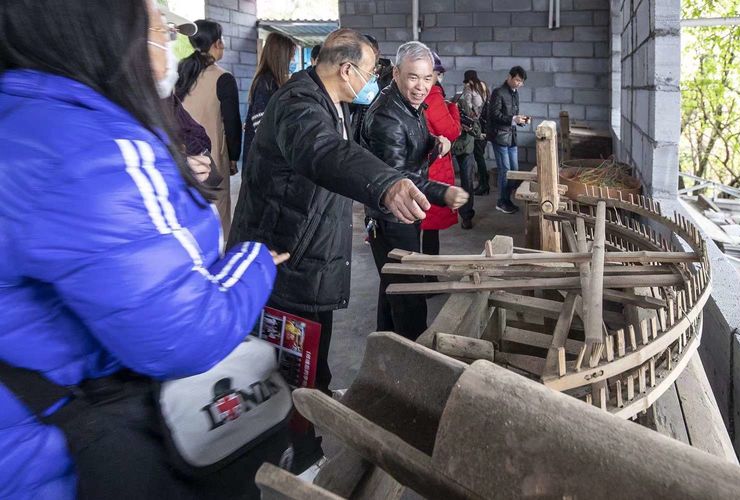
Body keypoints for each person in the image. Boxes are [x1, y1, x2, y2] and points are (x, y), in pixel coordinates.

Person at [0, 0, 288, 498]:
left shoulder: (26, 117)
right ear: (106, 34)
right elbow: (184, 332)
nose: (166, 47)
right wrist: (252, 261)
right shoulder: (90, 146)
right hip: (68, 454)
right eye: (155, 30)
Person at [229, 29, 436, 397]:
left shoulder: (333, 104)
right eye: (371, 73)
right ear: (345, 69)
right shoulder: (299, 102)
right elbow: (323, 151)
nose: (373, 81)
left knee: (312, 351)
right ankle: (302, 445)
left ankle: (316, 401)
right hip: (287, 255)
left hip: (311, 254)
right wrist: (384, 184)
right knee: (288, 363)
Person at [361, 41, 468, 340]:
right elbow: (398, 178)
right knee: (409, 295)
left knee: (392, 286)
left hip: (406, 212)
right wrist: (442, 193)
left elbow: (415, 145)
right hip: (393, 216)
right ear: (396, 73)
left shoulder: (410, 105)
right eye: (413, 77)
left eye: (427, 78)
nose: (421, 86)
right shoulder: (387, 116)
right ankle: (413, 363)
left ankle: (384, 348)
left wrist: (435, 144)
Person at [176, 19, 242, 237]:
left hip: (180, 157)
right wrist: (233, 157)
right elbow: (231, 124)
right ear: (216, 44)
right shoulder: (222, 78)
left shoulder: (179, 72)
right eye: (220, 40)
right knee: (216, 216)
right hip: (210, 160)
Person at [421, 51, 462, 251]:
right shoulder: (433, 96)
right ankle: (428, 275)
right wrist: (453, 108)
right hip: (433, 166)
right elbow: (452, 131)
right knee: (429, 227)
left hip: (419, 163)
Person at [243, 32, 296, 164]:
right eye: (292, 56)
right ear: (281, 57)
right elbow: (262, 126)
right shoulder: (266, 83)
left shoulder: (275, 82)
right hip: (263, 162)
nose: (293, 61)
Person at [488, 65, 529, 214]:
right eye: (517, 80)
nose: (518, 83)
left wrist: (520, 120)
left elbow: (513, 116)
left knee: (514, 170)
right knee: (505, 171)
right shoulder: (498, 93)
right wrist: (513, 119)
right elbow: (494, 115)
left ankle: (507, 199)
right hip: (499, 136)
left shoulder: (514, 93)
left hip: (511, 136)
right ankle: (502, 201)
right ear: (509, 77)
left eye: (521, 82)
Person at [454, 94, 484, 229]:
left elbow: (477, 131)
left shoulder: (465, 108)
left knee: (467, 182)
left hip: (466, 150)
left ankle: (466, 216)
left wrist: (469, 128)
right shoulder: (448, 105)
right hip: (449, 149)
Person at [461, 69, 490, 195]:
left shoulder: (469, 88)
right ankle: (485, 183)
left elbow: (467, 107)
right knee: (481, 155)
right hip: (486, 125)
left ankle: (483, 184)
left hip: (476, 126)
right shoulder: (484, 87)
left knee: (478, 156)